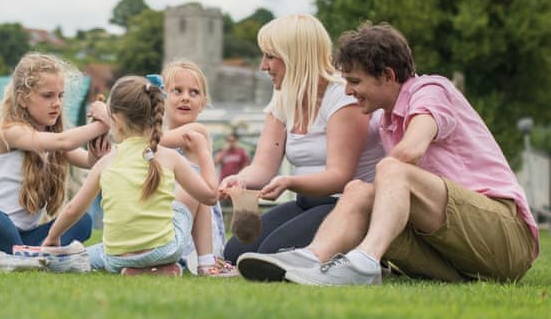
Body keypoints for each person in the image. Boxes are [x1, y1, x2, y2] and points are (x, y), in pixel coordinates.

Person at [244, 22, 539, 285]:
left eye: (355, 82)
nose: (347, 91)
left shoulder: (431, 90)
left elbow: (411, 150)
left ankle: (364, 261)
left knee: (392, 168)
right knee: (358, 190)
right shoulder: (385, 120)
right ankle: (312, 259)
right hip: (459, 257)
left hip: (505, 236)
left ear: (387, 75)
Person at [221, 14, 384, 279]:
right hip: (306, 202)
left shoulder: (343, 97)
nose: (263, 66)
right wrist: (237, 180)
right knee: (235, 252)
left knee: (272, 254)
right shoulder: (283, 98)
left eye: (270, 56)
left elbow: (339, 177)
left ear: (294, 56)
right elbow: (263, 167)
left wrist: (289, 182)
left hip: (343, 206)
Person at [43, 75, 219, 276]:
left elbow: (74, 209)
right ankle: (205, 264)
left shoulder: (106, 162)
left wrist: (52, 238)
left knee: (87, 254)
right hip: (165, 251)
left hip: (115, 257)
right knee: (193, 191)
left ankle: (137, 269)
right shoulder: (168, 157)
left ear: (115, 121)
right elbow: (210, 196)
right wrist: (203, 151)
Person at [0, 53, 110, 265]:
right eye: (47, 96)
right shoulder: (10, 131)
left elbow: (90, 162)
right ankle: (42, 258)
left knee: (82, 221)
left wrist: (98, 151)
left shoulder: (52, 140)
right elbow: (63, 141)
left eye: (60, 96)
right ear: (22, 98)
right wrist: (105, 122)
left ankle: (30, 257)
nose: (56, 104)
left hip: (24, 239)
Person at [159, 61, 236, 276]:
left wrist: (129, 127)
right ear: (163, 97)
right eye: (177, 91)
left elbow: (158, 139)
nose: (186, 97)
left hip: (197, 225)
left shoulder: (196, 132)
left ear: (202, 103)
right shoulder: (157, 139)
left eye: (194, 93)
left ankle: (199, 258)